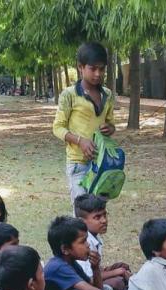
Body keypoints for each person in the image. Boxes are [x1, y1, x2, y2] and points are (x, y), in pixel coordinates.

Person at [53, 42, 116, 208]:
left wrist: (110, 128)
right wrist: (80, 140)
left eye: (101, 69)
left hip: (102, 165)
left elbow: (111, 124)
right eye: (93, 69)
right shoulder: (69, 95)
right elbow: (57, 128)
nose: (97, 74)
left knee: (97, 215)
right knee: (81, 218)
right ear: (80, 67)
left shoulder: (107, 94)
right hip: (78, 165)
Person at [34, 215, 113, 290]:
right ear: (65, 249)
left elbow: (97, 289)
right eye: (82, 241)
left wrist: (95, 268)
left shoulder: (71, 262)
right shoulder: (58, 267)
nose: (87, 245)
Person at [74, 193, 131, 290]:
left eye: (105, 215)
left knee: (122, 266)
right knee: (117, 282)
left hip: (94, 274)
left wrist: (119, 270)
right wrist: (116, 272)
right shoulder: (83, 243)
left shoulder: (95, 236)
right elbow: (88, 278)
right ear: (82, 221)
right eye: (97, 217)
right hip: (85, 285)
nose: (104, 220)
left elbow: (95, 268)